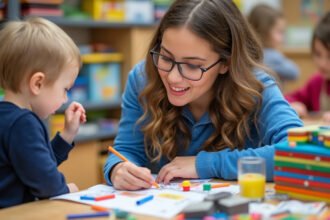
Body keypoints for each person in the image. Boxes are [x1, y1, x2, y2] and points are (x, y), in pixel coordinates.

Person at [104, 0, 302, 190]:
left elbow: (298, 153)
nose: (173, 77)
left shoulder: (257, 88)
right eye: (166, 57)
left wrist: (206, 164)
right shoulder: (142, 79)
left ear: (226, 63)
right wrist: (118, 169)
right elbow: (125, 150)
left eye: (192, 66)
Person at [0, 17, 86, 208]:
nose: (65, 99)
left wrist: (67, 134)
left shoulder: (8, 118)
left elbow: (35, 167)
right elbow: (47, 183)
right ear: (37, 84)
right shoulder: (23, 123)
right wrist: (66, 190)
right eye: (65, 89)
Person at [285, 11, 330, 122]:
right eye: (318, 54)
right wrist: (294, 104)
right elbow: (285, 99)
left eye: (329, 57)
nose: (322, 63)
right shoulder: (316, 82)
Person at [248, 4, 299, 83]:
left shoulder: (247, 55)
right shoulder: (273, 55)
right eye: (279, 32)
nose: (283, 38)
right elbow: (295, 72)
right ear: (264, 32)